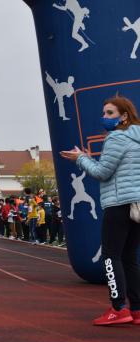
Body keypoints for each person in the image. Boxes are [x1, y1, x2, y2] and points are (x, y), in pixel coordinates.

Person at [61, 95, 140, 325]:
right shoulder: (136, 138)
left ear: (124, 116)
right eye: (104, 113)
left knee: (111, 256)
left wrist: (81, 159)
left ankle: (118, 308)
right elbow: (120, 170)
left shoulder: (116, 138)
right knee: (130, 257)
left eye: (109, 113)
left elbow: (101, 173)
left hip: (118, 204)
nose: (104, 117)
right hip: (136, 204)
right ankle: (136, 309)